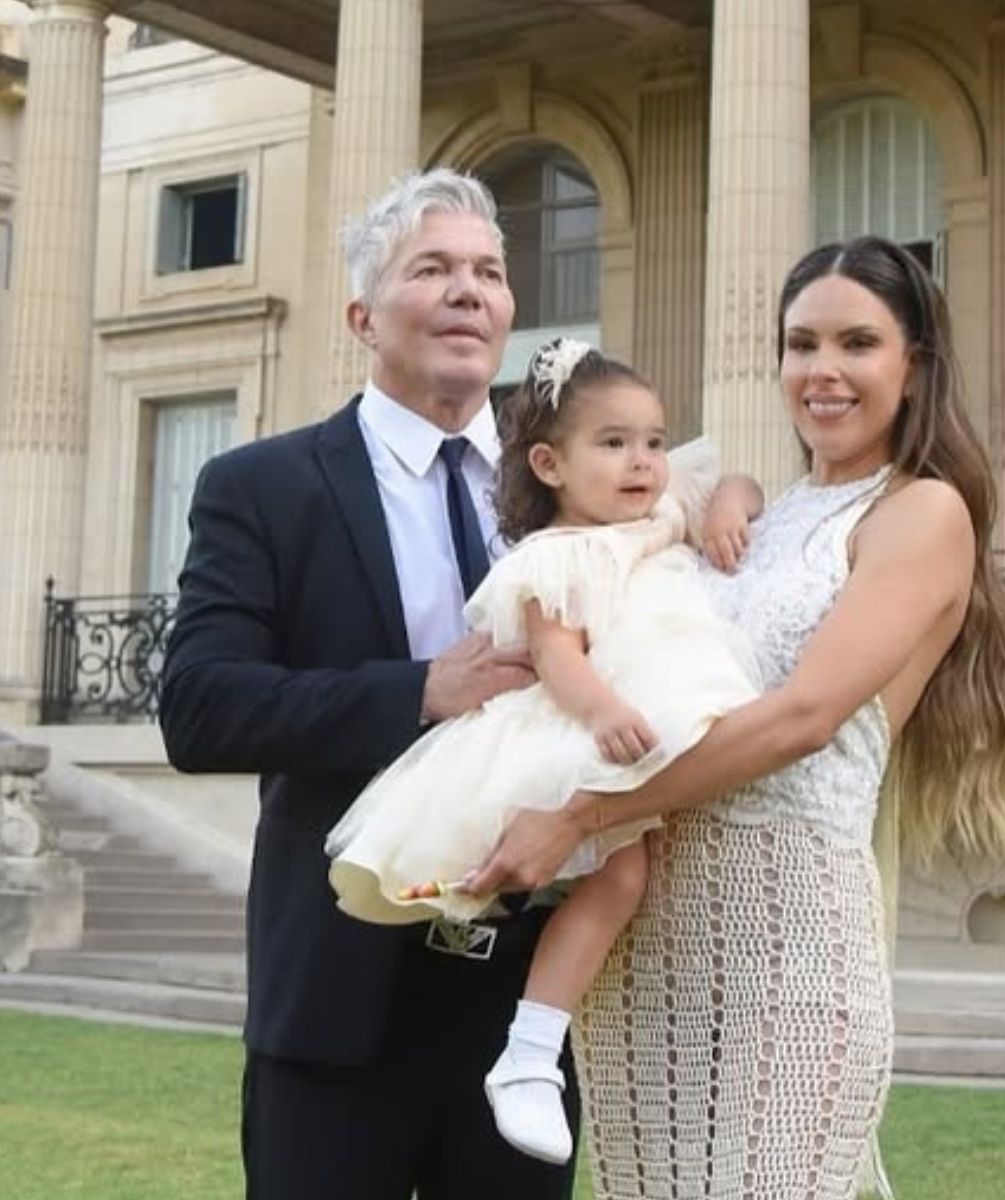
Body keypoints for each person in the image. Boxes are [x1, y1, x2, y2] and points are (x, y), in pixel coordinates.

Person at [463, 236, 1005, 1200]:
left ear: (914, 367)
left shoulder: (923, 512)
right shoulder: (754, 515)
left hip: (786, 932)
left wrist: (578, 815)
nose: (823, 371)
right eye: (801, 343)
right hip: (644, 941)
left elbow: (804, 717)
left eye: (857, 343)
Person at [158, 169, 569, 1200]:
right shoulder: (262, 487)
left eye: (488, 271)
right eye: (432, 268)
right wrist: (418, 691)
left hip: (524, 1009)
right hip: (337, 1005)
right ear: (362, 315)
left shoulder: (566, 486)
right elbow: (200, 708)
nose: (468, 291)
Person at [323, 337, 762, 1167]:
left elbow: (727, 481)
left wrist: (734, 501)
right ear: (550, 464)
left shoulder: (661, 517)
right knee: (622, 873)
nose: (643, 462)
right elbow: (555, 653)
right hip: (595, 726)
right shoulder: (553, 557)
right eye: (614, 443)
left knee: (656, 874)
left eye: (654, 441)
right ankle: (530, 1053)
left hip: (676, 715)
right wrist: (600, 712)